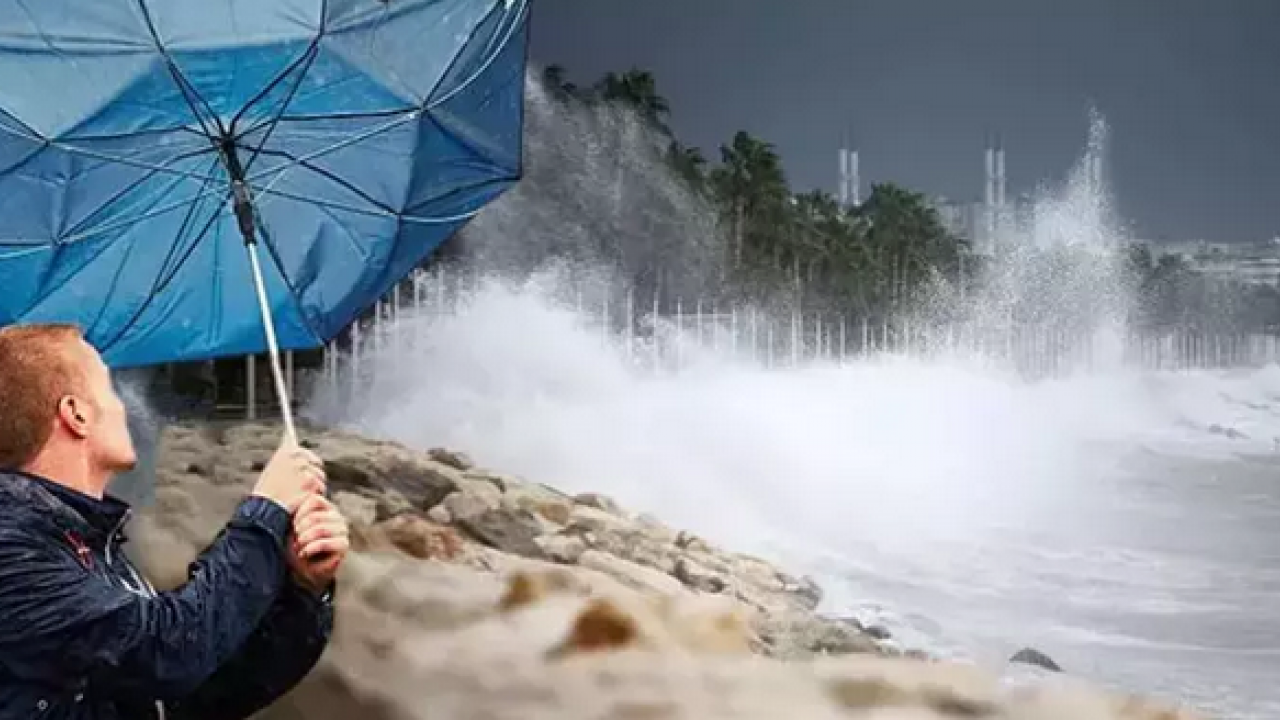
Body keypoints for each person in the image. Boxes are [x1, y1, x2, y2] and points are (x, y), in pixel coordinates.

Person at [0, 324, 351, 719]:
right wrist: (266, 509)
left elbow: (203, 691)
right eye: (109, 389)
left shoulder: (82, 545)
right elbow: (166, 651)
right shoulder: (11, 547)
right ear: (75, 414)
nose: (124, 406)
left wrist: (301, 590)